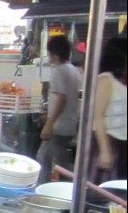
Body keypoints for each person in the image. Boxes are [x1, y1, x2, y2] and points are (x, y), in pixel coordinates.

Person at [37, 35, 81, 184]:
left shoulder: (58, 71)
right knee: (60, 159)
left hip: (59, 125)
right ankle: (69, 188)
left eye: (49, 53)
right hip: (70, 123)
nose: (48, 57)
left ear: (54, 54)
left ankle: (42, 191)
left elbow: (61, 99)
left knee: (43, 157)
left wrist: (49, 124)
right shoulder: (73, 69)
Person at [89, 33, 127, 183]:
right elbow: (97, 116)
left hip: (123, 143)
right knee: (105, 190)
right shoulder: (106, 80)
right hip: (107, 142)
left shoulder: (122, 81)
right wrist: (104, 150)